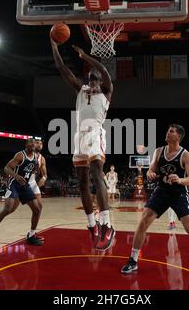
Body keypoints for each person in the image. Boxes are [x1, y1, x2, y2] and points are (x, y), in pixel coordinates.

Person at [120, 124, 189, 284]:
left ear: (178, 136)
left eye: (171, 131)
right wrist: (150, 174)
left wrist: (179, 180)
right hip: (161, 192)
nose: (167, 133)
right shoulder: (159, 151)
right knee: (143, 222)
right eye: (168, 130)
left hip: (179, 194)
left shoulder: (186, 155)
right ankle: (133, 261)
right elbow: (151, 169)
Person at [51, 37, 115, 250]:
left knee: (97, 173)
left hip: (96, 133)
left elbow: (104, 70)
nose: (94, 80)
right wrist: (54, 46)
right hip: (79, 137)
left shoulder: (106, 92)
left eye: (96, 79)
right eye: (91, 78)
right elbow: (61, 68)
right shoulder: (81, 89)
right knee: (81, 182)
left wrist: (85, 56)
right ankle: (92, 224)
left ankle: (107, 224)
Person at [0, 139, 44, 251]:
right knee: (8, 208)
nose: (33, 144)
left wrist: (37, 178)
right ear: (26, 145)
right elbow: (6, 168)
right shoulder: (20, 155)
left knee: (37, 209)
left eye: (34, 143)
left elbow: (33, 171)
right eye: (30, 143)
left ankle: (31, 235)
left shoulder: (37, 158)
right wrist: (17, 176)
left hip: (25, 186)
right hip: (15, 184)